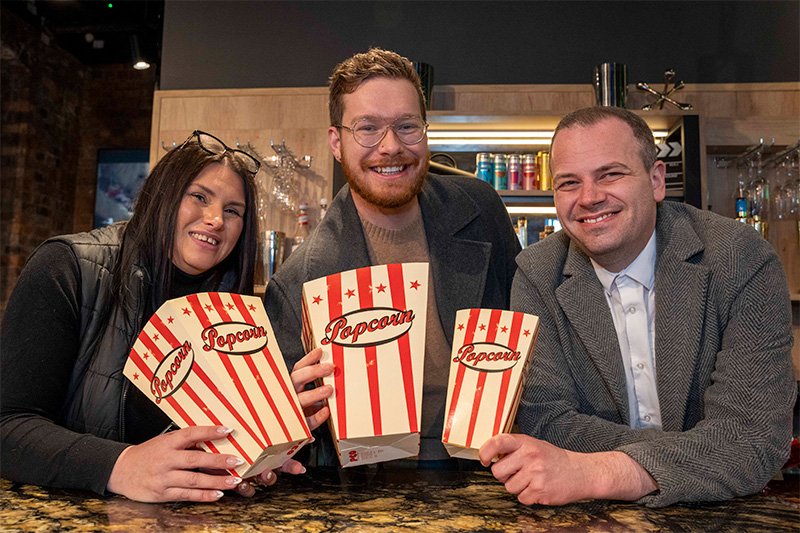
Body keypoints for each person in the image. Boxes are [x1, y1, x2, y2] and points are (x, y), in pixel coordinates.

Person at [479, 106, 796, 507]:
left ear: (656, 180)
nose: (590, 198)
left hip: (729, 509)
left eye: (610, 174)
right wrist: (702, 452)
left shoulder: (741, 259)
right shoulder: (537, 274)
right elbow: (547, 421)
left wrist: (598, 471)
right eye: (568, 183)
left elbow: (752, 436)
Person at [0, 131, 332, 502]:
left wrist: (253, 446)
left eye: (233, 211)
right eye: (199, 197)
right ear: (163, 195)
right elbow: (9, 427)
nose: (215, 220)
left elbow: (193, 451)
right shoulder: (67, 267)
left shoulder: (232, 315)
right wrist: (118, 465)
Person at [264, 48, 521, 465]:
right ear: (336, 141)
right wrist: (291, 411)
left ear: (425, 130)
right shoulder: (299, 280)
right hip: (371, 488)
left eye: (407, 126)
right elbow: (286, 435)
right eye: (367, 128)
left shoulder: (481, 209)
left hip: (494, 468)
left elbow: (530, 331)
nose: (390, 147)